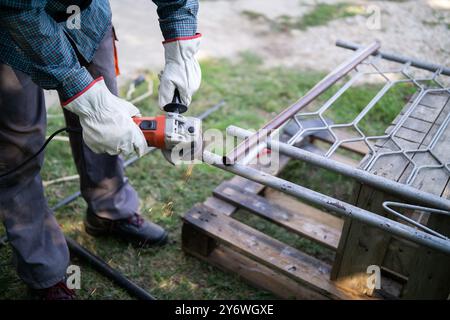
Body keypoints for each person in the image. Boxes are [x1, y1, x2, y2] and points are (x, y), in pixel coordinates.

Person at [0, 0, 201, 299]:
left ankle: (110, 209)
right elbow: (16, 7)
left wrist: (180, 42)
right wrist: (81, 92)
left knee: (110, 110)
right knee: (19, 145)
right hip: (12, 29)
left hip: (86, 17)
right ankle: (44, 270)